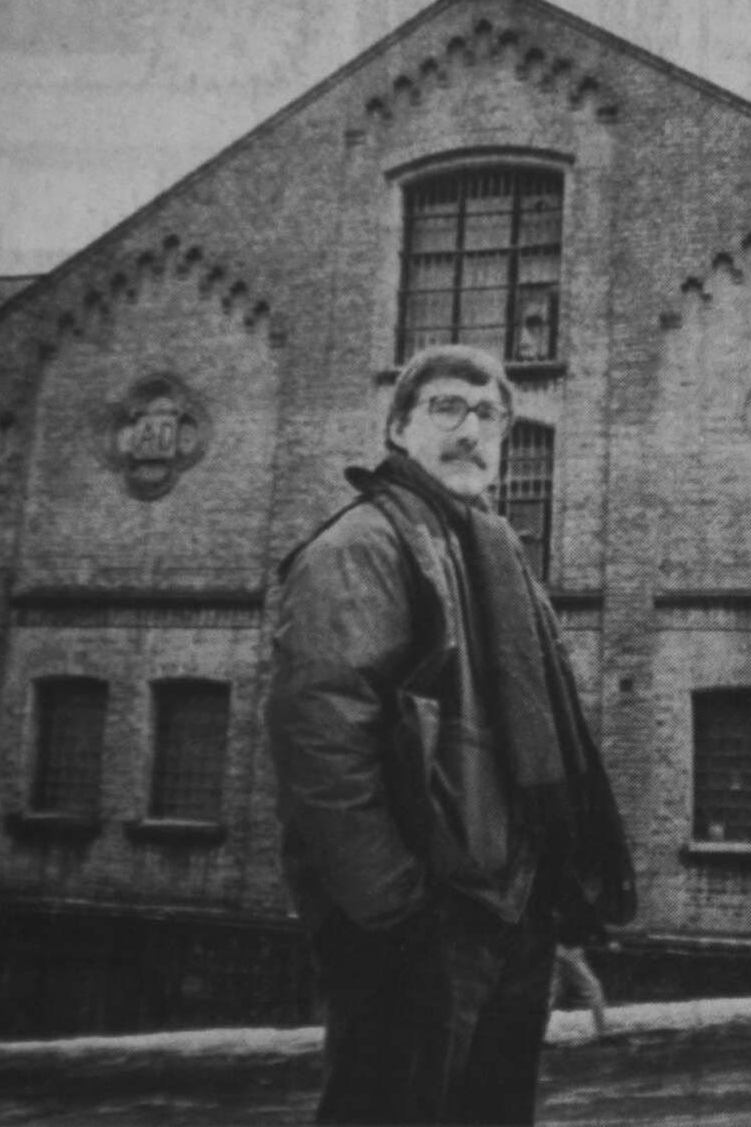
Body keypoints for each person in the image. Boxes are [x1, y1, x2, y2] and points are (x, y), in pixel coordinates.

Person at [268, 344, 635, 1125]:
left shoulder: (489, 550)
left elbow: (531, 749)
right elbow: (324, 747)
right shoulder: (361, 546)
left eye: (489, 414)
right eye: (446, 408)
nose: (471, 430)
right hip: (418, 929)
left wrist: (547, 908)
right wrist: (398, 915)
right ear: (399, 427)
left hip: (509, 917)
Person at [548, 943, 608, 1040]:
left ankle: (534, 1035)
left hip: (557, 950)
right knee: (594, 989)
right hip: (569, 950)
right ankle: (601, 1034)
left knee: (551, 995)